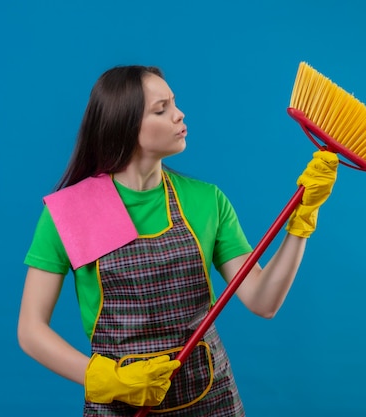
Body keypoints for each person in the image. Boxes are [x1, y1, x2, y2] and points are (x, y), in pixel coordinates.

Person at [17, 65, 338, 416]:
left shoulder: (205, 201)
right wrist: (103, 378)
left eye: (175, 103)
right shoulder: (72, 211)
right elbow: (31, 330)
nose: (179, 114)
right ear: (124, 124)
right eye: (161, 109)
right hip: (120, 405)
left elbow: (264, 301)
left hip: (210, 399)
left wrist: (301, 222)